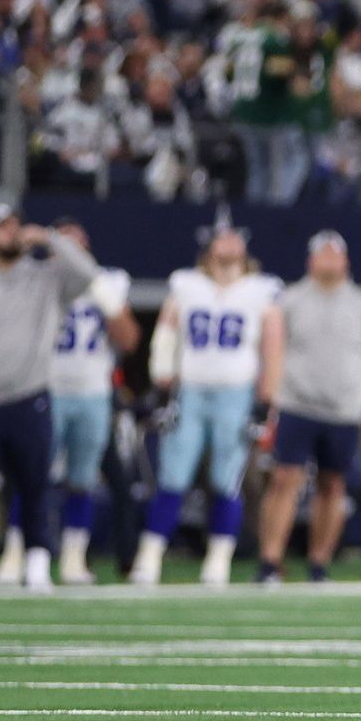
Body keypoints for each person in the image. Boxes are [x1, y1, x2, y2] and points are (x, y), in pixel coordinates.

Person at [131, 220, 283, 586]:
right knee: (173, 475)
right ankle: (149, 557)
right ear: (208, 247)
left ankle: (219, 560)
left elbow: (274, 349)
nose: (230, 244)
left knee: (226, 479)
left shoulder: (262, 290)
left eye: (236, 238)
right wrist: (161, 379)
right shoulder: (186, 285)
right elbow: (166, 335)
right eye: (223, 238)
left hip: (237, 393)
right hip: (191, 391)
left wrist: (267, 399)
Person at [0, 204, 99, 589]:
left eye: (13, 225)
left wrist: (51, 237)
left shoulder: (44, 278)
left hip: (30, 397)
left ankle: (38, 559)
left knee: (35, 484)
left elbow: (88, 273)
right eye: (0, 228)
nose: (10, 233)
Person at [256, 232, 361, 584]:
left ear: (345, 260)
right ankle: (270, 561)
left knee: (333, 484)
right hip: (297, 404)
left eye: (334, 254)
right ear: (310, 260)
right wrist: (271, 395)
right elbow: (273, 351)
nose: (329, 260)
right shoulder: (289, 301)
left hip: (343, 409)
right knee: (284, 480)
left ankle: (319, 563)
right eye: (322, 254)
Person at [37, 220, 139, 584]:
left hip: (93, 392)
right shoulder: (37, 282)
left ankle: (73, 559)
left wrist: (106, 302)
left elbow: (128, 340)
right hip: (44, 389)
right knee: (34, 476)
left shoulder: (106, 284)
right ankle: (18, 557)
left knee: (83, 479)